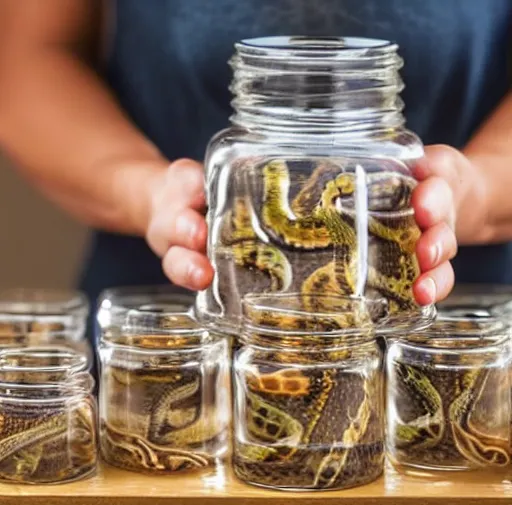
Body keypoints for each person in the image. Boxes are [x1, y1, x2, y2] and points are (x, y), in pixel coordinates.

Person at [0, 1, 510, 333]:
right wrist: (147, 193)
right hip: (170, 316)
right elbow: (28, 57)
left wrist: (477, 191)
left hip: (465, 323)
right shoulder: (232, 163)